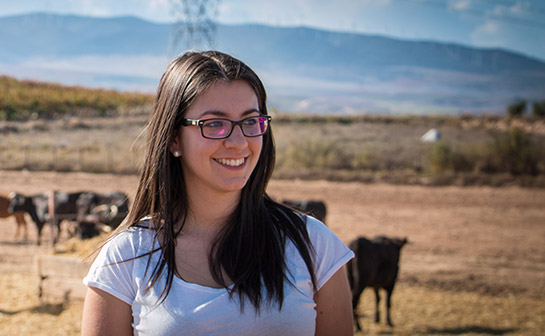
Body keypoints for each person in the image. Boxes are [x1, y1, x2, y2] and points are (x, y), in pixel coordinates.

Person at [80, 50, 355, 335]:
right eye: (214, 124)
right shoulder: (126, 258)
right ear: (174, 138)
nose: (238, 142)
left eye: (250, 121)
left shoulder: (313, 246)